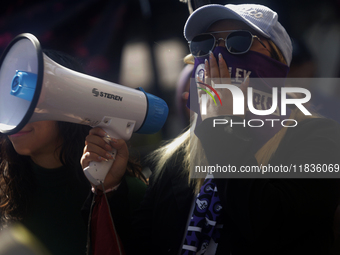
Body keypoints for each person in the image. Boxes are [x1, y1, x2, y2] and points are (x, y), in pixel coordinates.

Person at [82, 3, 340, 255]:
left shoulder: (320, 138)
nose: (218, 55)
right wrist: (112, 188)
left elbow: (271, 226)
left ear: (278, 62)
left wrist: (221, 125)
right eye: (205, 44)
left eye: (238, 42)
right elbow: (141, 245)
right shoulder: (179, 156)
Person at [0, 50, 147, 255]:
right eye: (13, 99)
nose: (19, 113)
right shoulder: (5, 198)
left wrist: (110, 194)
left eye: (33, 99)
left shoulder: (130, 195)